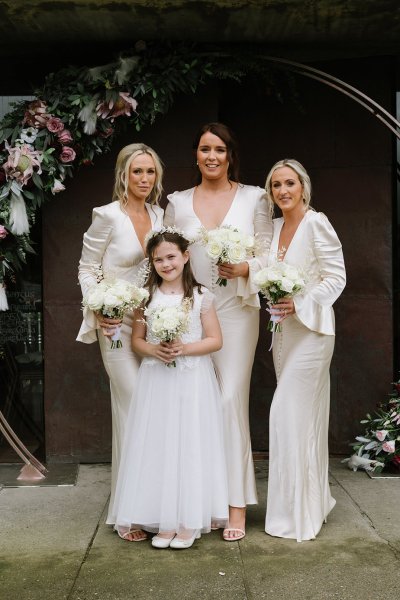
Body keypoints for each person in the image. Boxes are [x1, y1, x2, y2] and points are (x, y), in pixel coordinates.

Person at [164, 123, 273, 541]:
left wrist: (247, 268)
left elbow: (268, 254)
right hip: (191, 311)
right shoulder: (176, 202)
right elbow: (166, 254)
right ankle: (200, 501)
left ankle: (236, 505)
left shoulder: (254, 198)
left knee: (229, 401)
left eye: (220, 150)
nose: (212, 156)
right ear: (195, 155)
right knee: (194, 405)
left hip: (236, 310)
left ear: (230, 155)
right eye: (205, 149)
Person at [112, 228, 228, 548]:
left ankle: (187, 521)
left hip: (191, 378)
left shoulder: (201, 296)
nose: (166, 264)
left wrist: (183, 349)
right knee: (160, 443)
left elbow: (215, 340)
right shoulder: (145, 297)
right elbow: (136, 341)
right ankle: (163, 520)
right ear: (152, 262)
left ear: (185, 257)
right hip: (157, 379)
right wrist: (155, 350)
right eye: (158, 259)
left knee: (189, 442)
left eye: (171, 257)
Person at [76, 143, 164, 533]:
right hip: (114, 323)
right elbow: (86, 267)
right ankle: (129, 514)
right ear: (123, 176)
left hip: (151, 323)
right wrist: (97, 305)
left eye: (150, 172)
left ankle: (153, 503)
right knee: (134, 405)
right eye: (137, 172)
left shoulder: (160, 214)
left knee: (150, 410)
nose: (144, 179)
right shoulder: (107, 216)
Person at [263, 158, 346, 542]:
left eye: (289, 183)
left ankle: (298, 516)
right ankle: (309, 504)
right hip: (284, 335)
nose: (283, 191)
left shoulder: (317, 222)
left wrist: (301, 302)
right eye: (276, 184)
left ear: (303, 187)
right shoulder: (275, 226)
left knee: (286, 413)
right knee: (298, 421)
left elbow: (336, 277)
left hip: (313, 332)